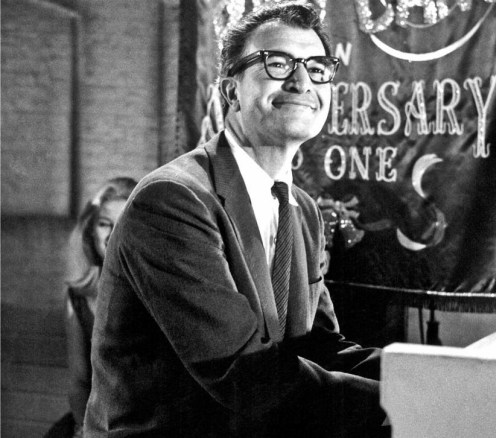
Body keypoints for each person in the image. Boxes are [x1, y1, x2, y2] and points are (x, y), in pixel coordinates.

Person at [84, 3, 389, 437]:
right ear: (231, 91)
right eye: (278, 63)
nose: (302, 81)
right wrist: (402, 401)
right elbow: (244, 374)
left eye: (318, 67)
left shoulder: (302, 209)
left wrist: (435, 373)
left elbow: (316, 346)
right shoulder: (173, 200)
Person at [45, 177, 137, 438]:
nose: (111, 236)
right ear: (90, 230)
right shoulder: (77, 297)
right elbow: (79, 381)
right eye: (104, 224)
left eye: (123, 224)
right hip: (95, 422)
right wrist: (83, 429)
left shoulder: (156, 291)